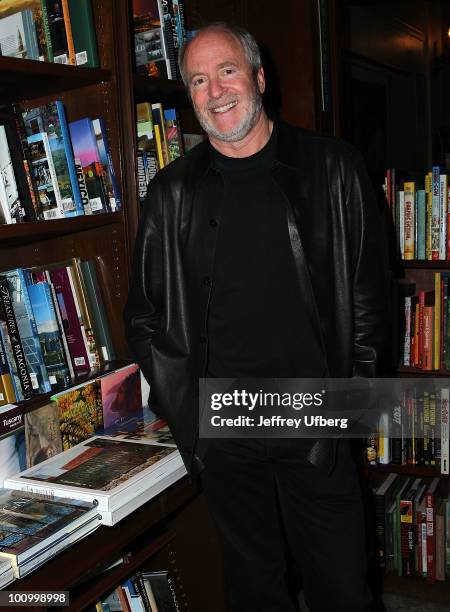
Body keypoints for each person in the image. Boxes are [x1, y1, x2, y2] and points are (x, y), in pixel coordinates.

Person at [124, 22, 390, 612]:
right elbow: (144, 315)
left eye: (227, 71)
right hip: (224, 422)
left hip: (317, 415)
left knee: (344, 590)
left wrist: (353, 413)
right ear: (189, 96)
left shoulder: (334, 167)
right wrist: (187, 412)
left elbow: (370, 302)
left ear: (259, 77)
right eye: (198, 79)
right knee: (254, 592)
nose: (215, 91)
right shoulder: (170, 193)